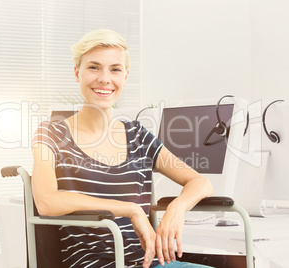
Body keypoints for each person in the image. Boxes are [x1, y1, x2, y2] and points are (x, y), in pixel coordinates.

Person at [31, 29, 214, 268]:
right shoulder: (51, 134)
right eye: (94, 67)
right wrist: (130, 210)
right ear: (77, 72)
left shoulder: (137, 135)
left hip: (150, 264)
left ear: (125, 76)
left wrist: (176, 208)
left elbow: (201, 183)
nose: (105, 79)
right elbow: (46, 201)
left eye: (115, 69)